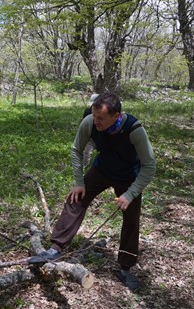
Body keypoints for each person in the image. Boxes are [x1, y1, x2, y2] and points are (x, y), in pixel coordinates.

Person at [39, 91, 156, 292]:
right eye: (94, 116)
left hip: (129, 176)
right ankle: (55, 248)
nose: (96, 121)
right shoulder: (89, 123)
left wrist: (130, 194)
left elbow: (150, 166)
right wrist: (78, 181)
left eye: (101, 118)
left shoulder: (134, 129)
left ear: (116, 115)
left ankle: (125, 268)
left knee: (131, 219)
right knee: (76, 199)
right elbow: (77, 150)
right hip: (102, 169)